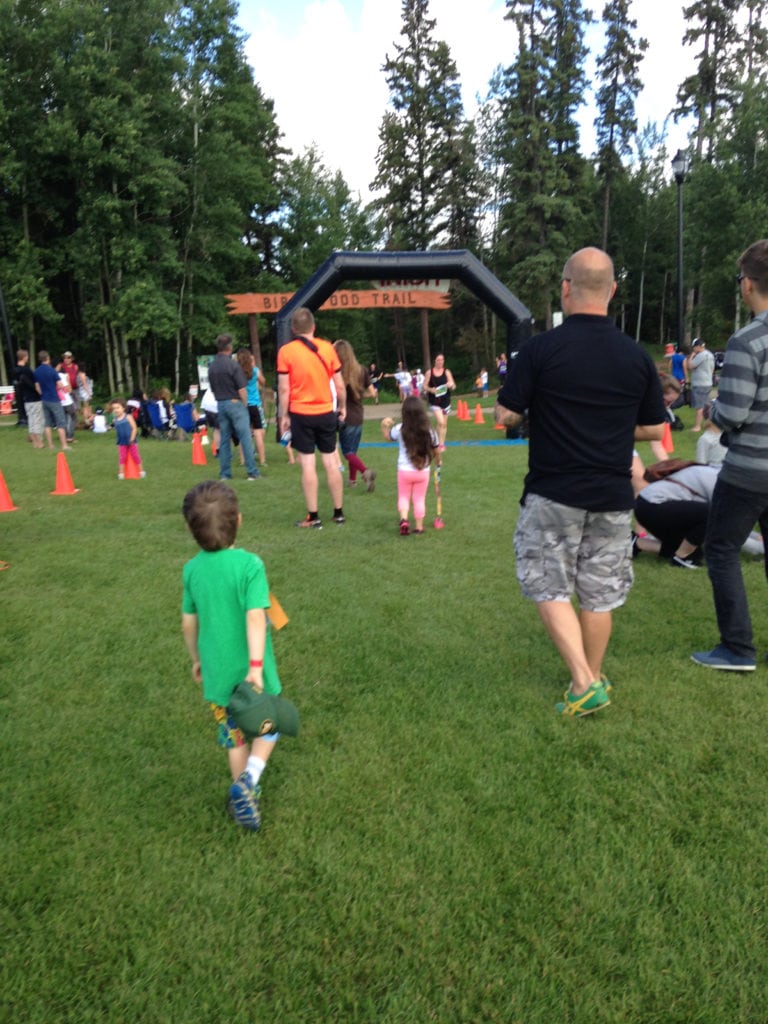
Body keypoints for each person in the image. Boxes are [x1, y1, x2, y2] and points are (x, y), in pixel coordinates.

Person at [494, 246, 666, 717]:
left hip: (554, 492)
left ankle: (585, 682)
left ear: (566, 289)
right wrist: (607, 422)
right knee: (598, 590)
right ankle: (589, 678)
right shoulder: (636, 357)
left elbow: (507, 413)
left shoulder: (538, 350)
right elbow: (655, 427)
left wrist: (542, 412)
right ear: (611, 292)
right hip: (613, 495)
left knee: (548, 585)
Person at [181, 480, 288, 831]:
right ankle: (249, 781)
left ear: (191, 529)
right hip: (250, 673)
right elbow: (257, 615)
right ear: (239, 520)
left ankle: (243, 796)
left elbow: (188, 623)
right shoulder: (250, 565)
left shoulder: (192, 570)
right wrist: (256, 668)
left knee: (234, 737)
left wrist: (196, 659)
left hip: (217, 674)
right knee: (270, 724)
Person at [691, 239, 768, 671]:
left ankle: (737, 647)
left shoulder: (747, 339)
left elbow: (733, 413)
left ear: (749, 283)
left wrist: (714, 408)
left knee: (720, 548)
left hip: (749, 470)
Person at [276, 307, 346, 528]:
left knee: (307, 462)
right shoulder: (327, 348)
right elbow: (340, 385)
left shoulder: (286, 352)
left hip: (300, 413)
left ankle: (314, 516)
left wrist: (283, 415)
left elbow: (284, 389)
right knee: (331, 461)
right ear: (313, 327)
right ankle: (338, 513)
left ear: (294, 329)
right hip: (325, 411)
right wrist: (342, 407)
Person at [381, 395, 440, 535]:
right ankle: (419, 527)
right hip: (422, 470)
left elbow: (388, 438)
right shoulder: (430, 431)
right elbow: (436, 449)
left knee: (403, 496)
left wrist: (383, 425)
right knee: (419, 498)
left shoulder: (400, 429)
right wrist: (439, 462)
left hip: (404, 470)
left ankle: (404, 519)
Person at [207, 334, 260, 481]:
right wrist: (245, 404)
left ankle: (225, 474)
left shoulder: (212, 367)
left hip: (220, 404)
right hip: (235, 403)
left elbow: (212, 388)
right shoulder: (233, 365)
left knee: (224, 440)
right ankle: (252, 472)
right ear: (230, 347)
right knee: (245, 438)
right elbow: (242, 389)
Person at [334, 338, 377, 491]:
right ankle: (352, 481)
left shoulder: (338, 373)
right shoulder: (362, 370)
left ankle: (365, 471)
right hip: (359, 415)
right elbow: (372, 393)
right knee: (353, 451)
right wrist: (359, 395)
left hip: (346, 416)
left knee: (347, 452)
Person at [235, 348, 267, 467]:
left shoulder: (237, 372)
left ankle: (243, 460)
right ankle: (262, 460)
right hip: (255, 404)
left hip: (243, 405)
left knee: (245, 433)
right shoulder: (255, 371)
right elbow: (263, 382)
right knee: (258, 432)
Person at [34, 350, 71, 451]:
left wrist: (43, 394)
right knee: (60, 422)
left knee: (47, 423)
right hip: (54, 399)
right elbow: (59, 384)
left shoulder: (36, 371)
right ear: (47, 358)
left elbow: (37, 388)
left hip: (44, 400)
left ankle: (51, 445)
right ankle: (64, 445)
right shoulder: (52, 371)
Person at [423, 352, 456, 450]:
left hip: (445, 401)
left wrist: (451, 385)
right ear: (435, 361)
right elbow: (424, 386)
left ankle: (440, 443)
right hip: (434, 401)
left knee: (443, 424)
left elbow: (453, 385)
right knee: (440, 422)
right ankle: (439, 443)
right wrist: (430, 390)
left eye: (442, 360)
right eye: (438, 360)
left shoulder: (447, 372)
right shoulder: (430, 372)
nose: (440, 362)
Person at [14, 350, 43, 448]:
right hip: (34, 398)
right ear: (24, 357)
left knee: (31, 420)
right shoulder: (26, 370)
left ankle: (34, 442)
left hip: (25, 398)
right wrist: (39, 392)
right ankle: (40, 442)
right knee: (37, 420)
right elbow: (34, 384)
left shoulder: (15, 370)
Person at [111, 397, 146, 479]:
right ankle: (121, 474)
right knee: (122, 457)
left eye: (118, 408)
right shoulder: (115, 419)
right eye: (114, 408)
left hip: (131, 441)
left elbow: (134, 428)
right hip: (121, 442)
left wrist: (132, 439)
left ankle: (141, 471)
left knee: (135, 455)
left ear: (123, 408)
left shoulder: (128, 417)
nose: (116, 410)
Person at [686, 337, 715, 432]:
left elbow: (690, 366)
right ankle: (710, 423)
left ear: (698, 346)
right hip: (708, 382)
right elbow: (712, 369)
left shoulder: (701, 355)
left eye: (694, 347)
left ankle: (697, 426)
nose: (693, 349)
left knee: (699, 406)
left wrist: (691, 356)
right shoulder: (710, 354)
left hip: (700, 383)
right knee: (707, 404)